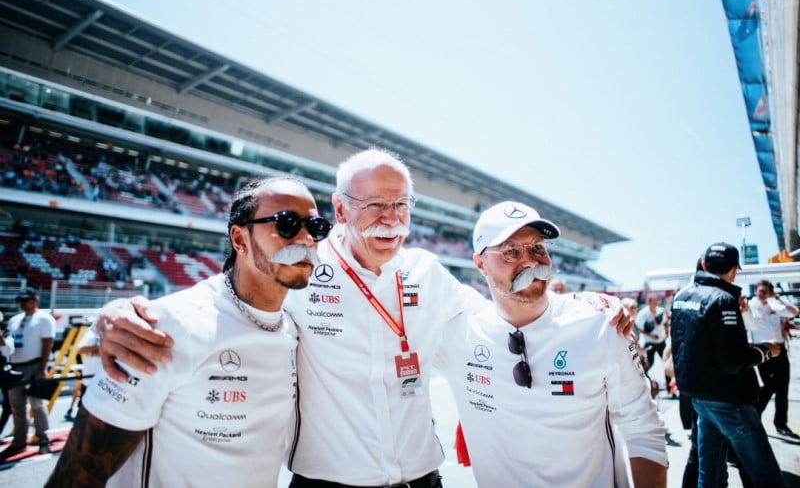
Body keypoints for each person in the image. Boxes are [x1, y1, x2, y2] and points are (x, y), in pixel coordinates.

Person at [93, 149, 634, 487]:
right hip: (330, 481)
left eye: (400, 207)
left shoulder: (427, 272)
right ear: (341, 208)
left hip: (422, 476)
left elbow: (506, 312)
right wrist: (122, 311)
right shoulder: (301, 268)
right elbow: (224, 298)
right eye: (374, 205)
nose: (389, 220)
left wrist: (583, 304)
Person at [44, 177, 332, 487]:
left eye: (315, 227)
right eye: (287, 224)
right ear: (239, 238)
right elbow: (77, 476)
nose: (305, 239)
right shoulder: (169, 326)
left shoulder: (298, 325)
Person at [436, 201, 667, 487]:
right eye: (510, 251)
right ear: (480, 263)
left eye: (538, 247)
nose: (531, 261)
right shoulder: (458, 333)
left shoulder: (602, 325)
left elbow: (644, 431)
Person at [671, 242, 785, 487]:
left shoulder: (682, 296)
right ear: (734, 269)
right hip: (729, 400)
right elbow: (732, 362)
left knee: (710, 476)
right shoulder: (724, 299)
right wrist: (766, 351)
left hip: (699, 398)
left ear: (704, 264)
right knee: (767, 475)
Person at [0, 287, 55, 459]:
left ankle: (43, 438)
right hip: (15, 365)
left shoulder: (44, 318)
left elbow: (48, 344)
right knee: (17, 407)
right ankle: (19, 441)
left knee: (37, 404)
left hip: (33, 365)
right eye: (21, 301)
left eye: (26, 300)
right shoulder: (15, 320)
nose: (23, 304)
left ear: (35, 300)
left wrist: (42, 368)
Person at [748, 279, 800, 439]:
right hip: (763, 350)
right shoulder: (751, 306)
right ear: (755, 291)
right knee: (769, 385)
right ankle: (755, 415)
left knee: (782, 386)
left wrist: (777, 298)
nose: (761, 294)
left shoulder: (774, 304)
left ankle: (781, 422)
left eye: (765, 291)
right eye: (759, 291)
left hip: (779, 349)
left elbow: (795, 311)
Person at [63, 327, 100, 422]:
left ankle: (70, 410)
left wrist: (92, 351)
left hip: (103, 381)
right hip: (87, 380)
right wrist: (100, 350)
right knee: (84, 412)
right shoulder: (90, 332)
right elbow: (81, 349)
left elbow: (112, 351)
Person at [635, 295, 669, 387]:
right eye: (654, 302)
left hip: (661, 341)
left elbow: (665, 322)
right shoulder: (643, 314)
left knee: (667, 363)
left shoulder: (660, 311)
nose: (656, 303)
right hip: (649, 342)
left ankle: (670, 388)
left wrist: (666, 332)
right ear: (649, 302)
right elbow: (639, 328)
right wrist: (650, 335)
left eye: (657, 301)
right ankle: (643, 383)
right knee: (649, 363)